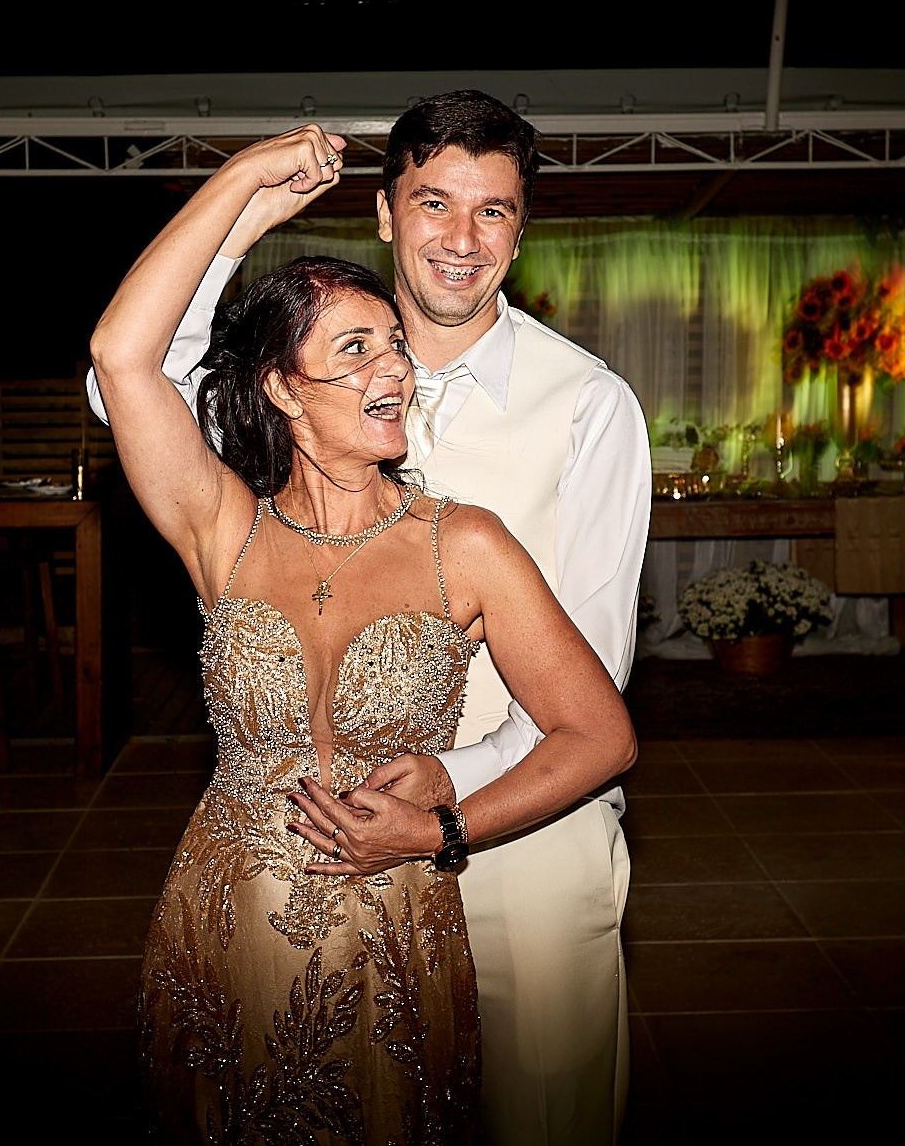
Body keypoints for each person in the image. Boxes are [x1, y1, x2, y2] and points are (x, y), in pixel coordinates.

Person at [91, 90, 652, 1144]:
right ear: (385, 214)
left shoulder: (586, 404)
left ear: (521, 230)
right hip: (275, 894)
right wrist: (244, 205)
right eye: (433, 203)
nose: (460, 237)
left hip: (522, 850)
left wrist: (443, 798)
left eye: (493, 211)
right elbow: (127, 374)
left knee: (542, 1119)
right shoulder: (299, 377)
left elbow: (596, 684)